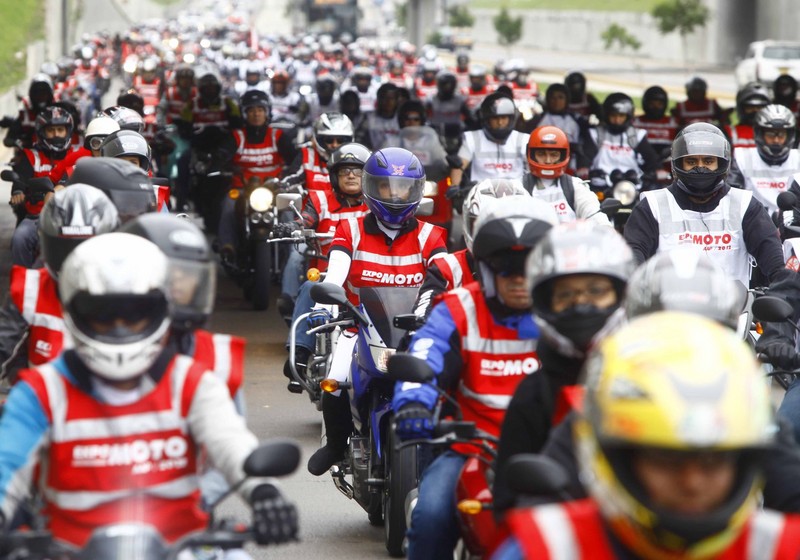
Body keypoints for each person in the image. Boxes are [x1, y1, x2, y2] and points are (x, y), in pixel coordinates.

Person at [0, 232, 298, 548]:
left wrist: (265, 492)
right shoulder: (41, 391)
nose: (120, 326)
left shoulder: (191, 382)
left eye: (135, 313)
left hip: (182, 551)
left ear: (160, 310)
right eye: (102, 315)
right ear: (75, 311)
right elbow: (6, 462)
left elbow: (232, 444)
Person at [495, 312, 800, 560]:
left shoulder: (780, 547)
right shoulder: (547, 548)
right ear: (618, 456)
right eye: (666, 459)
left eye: (713, 460)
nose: (692, 482)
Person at [392, 197, 556, 560]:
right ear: (485, 266)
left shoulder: (566, 312)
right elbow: (424, 354)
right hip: (472, 451)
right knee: (430, 516)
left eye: (528, 265)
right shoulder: (457, 307)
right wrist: (413, 403)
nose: (518, 278)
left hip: (554, 449)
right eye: (506, 266)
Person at [305, 147, 448, 475]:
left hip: (415, 331)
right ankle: (336, 444)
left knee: (442, 385)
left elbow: (444, 281)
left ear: (416, 190)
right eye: (386, 187)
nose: (395, 195)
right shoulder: (350, 230)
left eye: (403, 187)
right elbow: (337, 270)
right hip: (358, 327)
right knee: (335, 380)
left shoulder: (432, 235)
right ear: (373, 188)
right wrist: (327, 303)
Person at [493, 221, 634, 517]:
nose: (581, 303)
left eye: (596, 291)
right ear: (547, 304)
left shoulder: (647, 376)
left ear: (620, 294)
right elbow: (508, 500)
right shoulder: (534, 393)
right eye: (566, 296)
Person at [117, 213, 248, 507]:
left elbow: (232, 446)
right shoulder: (91, 344)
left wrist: (191, 502)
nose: (178, 285)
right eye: (167, 274)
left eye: (187, 275)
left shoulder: (217, 358)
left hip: (186, 514)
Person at [624, 122, 791, 290]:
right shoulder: (652, 206)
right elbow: (632, 262)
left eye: (708, 161)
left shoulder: (745, 205)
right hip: (668, 310)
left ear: (722, 164)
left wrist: (781, 297)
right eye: (691, 161)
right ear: (678, 164)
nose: (700, 168)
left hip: (733, 312)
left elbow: (774, 262)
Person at [0, 185, 120, 383]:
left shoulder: (130, 290)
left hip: (107, 407)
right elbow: (4, 344)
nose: (76, 261)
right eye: (65, 248)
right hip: (40, 405)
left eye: (86, 248)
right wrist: (24, 387)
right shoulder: (29, 288)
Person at [279, 143, 371, 374]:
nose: (350, 175)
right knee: (310, 287)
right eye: (344, 171)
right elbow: (307, 219)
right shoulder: (319, 200)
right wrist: (293, 226)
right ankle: (300, 356)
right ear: (334, 176)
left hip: (370, 279)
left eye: (357, 170)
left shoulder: (377, 204)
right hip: (328, 280)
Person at [411, 180, 547, 322]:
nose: (499, 237)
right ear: (468, 224)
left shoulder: (543, 267)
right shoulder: (448, 268)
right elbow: (421, 318)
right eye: (487, 227)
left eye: (507, 227)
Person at [216, 89, 298, 260]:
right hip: (242, 189)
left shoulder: (278, 136)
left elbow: (294, 158)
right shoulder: (237, 137)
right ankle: (227, 245)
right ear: (244, 114)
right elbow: (221, 156)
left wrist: (292, 171)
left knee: (289, 209)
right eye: (251, 110)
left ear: (267, 112)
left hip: (275, 189)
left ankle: (293, 252)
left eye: (260, 110)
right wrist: (220, 163)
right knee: (228, 205)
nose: (256, 114)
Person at [524, 125, 610, 225]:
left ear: (563, 156)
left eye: (554, 155)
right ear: (531, 154)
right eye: (541, 154)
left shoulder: (575, 186)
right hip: (531, 240)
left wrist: (605, 229)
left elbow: (595, 215)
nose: (548, 161)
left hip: (568, 240)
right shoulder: (517, 186)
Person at [728, 104, 800, 215]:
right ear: (759, 133)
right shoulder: (742, 158)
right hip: (754, 224)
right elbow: (732, 198)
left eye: (781, 135)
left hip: (792, 226)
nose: (776, 140)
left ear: (790, 135)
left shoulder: (798, 158)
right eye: (770, 134)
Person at [449, 92, 529, 188]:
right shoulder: (472, 138)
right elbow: (459, 166)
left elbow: (533, 169)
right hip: (480, 197)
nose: (500, 122)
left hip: (517, 196)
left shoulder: (524, 139)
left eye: (504, 118)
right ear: (486, 119)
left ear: (511, 118)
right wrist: (454, 187)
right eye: (495, 118)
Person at [584, 92, 660, 191]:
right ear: (606, 115)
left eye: (621, 116)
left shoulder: (637, 136)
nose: (617, 120)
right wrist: (583, 169)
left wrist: (658, 171)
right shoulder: (596, 134)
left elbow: (652, 160)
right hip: (600, 186)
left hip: (632, 187)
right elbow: (585, 158)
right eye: (613, 116)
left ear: (628, 116)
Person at [282, 112, 354, 194]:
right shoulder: (308, 154)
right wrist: (282, 186)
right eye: (329, 140)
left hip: (348, 206)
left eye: (341, 140)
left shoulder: (357, 158)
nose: (335, 145)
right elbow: (292, 178)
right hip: (313, 206)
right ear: (320, 139)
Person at [525, 83, 587, 171]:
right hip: (541, 165)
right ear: (547, 99)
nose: (556, 101)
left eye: (560, 97)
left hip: (571, 167)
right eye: (553, 98)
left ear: (567, 100)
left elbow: (586, 147)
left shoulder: (578, 121)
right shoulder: (537, 120)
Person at [48, 115, 119, 184]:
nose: (102, 149)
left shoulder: (127, 167)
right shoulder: (79, 169)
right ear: (89, 145)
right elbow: (56, 189)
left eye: (109, 143)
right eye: (96, 143)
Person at [631, 85, 678, 183]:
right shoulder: (635, 122)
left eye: (659, 104)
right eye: (652, 104)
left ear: (665, 105)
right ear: (645, 104)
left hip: (666, 170)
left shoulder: (673, 123)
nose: (655, 107)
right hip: (640, 167)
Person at [1, 73, 55, 149]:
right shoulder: (24, 114)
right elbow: (9, 139)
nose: (41, 96)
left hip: (52, 154)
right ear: (31, 94)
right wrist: (20, 142)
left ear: (50, 94)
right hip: (27, 153)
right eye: (37, 93)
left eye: (44, 93)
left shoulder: (58, 112)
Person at [725, 81, 771, 151]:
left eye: (759, 108)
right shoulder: (729, 132)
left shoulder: (776, 135)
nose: (755, 111)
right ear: (741, 109)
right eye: (750, 107)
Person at [364, 82, 400, 150]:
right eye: (384, 98)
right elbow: (360, 140)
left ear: (397, 100)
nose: (388, 101)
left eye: (391, 98)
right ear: (378, 99)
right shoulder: (368, 119)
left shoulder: (402, 119)